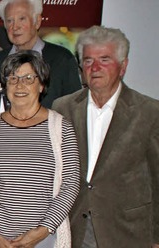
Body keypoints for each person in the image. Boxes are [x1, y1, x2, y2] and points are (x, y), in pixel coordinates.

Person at [52, 26, 159, 248]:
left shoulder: (150, 112)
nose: (96, 67)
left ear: (123, 67)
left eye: (104, 59)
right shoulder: (63, 107)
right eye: (88, 61)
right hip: (75, 229)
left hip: (128, 232)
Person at [0, 50, 80, 248]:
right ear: (5, 86)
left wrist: (42, 231)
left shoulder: (61, 128)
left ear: (42, 84)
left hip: (44, 240)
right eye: (13, 78)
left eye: (29, 78)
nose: (19, 85)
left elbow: (70, 185)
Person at [0, 0, 82, 116]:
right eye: (9, 21)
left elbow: (74, 110)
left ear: (37, 22)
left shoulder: (62, 59)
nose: (15, 27)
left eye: (22, 19)